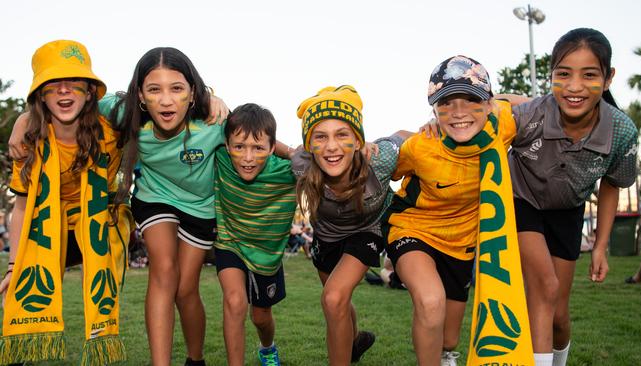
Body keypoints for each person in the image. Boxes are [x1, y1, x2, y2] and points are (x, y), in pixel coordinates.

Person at [383, 55, 531, 366]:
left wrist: (499, 99)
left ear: (489, 104)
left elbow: (532, 102)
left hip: (462, 245)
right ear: (434, 110)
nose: (459, 113)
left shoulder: (503, 123)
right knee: (431, 301)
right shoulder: (422, 146)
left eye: (470, 100)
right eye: (446, 104)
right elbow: (388, 160)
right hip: (413, 230)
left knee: (449, 338)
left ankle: (446, 354)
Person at [508, 28, 638, 366]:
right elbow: (490, 109)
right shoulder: (530, 115)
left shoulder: (621, 131)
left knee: (559, 315)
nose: (574, 86)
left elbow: (612, 184)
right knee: (544, 288)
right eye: (563, 74)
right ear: (550, 76)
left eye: (589, 74)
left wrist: (599, 246)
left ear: (608, 78)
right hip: (521, 200)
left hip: (567, 209)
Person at [0, 40, 133, 365]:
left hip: (99, 222)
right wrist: (14, 267)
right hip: (48, 225)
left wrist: (211, 97)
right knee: (18, 297)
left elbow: (157, 101)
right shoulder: (29, 142)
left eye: (74, 83)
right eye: (53, 84)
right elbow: (20, 208)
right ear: (40, 96)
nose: (64, 91)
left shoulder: (111, 128)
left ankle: (102, 347)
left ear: (89, 92)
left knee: (101, 294)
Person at [104, 47, 227, 366]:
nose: (166, 99)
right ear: (141, 96)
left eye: (176, 88)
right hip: (154, 197)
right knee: (163, 271)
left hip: (200, 208)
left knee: (185, 290)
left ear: (192, 92)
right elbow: (78, 100)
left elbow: (260, 138)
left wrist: (299, 154)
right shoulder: (124, 112)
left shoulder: (214, 123)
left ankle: (195, 359)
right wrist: (24, 119)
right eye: (154, 89)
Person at [292, 85, 411, 365]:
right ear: (309, 146)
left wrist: (432, 128)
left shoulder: (379, 159)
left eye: (342, 135)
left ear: (358, 141)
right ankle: (355, 341)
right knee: (336, 300)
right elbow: (271, 145)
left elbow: (404, 137)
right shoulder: (301, 164)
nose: (331, 146)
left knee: (333, 298)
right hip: (327, 236)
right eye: (320, 137)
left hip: (367, 229)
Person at [213, 103, 297, 366]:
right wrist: (213, 97)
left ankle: (267, 347)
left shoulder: (289, 172)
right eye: (239, 147)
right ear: (227, 145)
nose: (248, 157)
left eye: (258, 148)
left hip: (267, 255)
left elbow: (325, 158)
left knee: (261, 317)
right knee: (235, 301)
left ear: (272, 148)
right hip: (230, 243)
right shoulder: (219, 158)